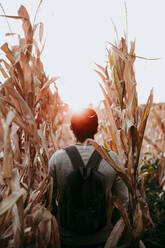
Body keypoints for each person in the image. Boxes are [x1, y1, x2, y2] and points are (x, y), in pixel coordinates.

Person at [48, 108, 129, 248]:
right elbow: (124, 202)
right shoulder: (111, 159)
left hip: (66, 239)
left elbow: (48, 203)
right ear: (97, 128)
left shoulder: (58, 158)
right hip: (103, 239)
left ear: (72, 128)